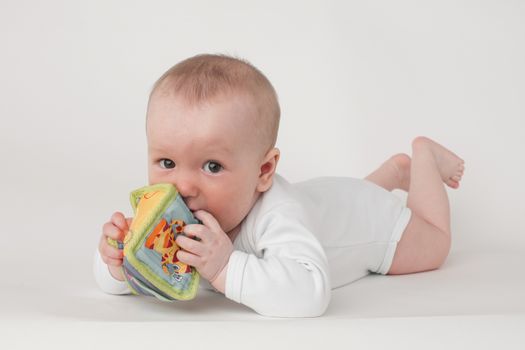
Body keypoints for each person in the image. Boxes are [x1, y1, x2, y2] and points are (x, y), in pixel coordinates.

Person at [93, 54, 465, 317]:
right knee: (338, 203)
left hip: (372, 222)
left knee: (434, 246)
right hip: (330, 201)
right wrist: (118, 264)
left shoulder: (279, 215)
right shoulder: (173, 218)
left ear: (263, 171)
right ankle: (394, 172)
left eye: (212, 166)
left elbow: (309, 294)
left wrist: (225, 268)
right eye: (167, 163)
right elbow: (132, 285)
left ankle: (424, 160)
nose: (184, 185)